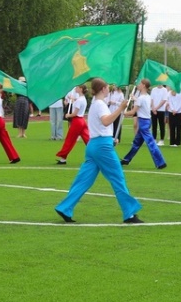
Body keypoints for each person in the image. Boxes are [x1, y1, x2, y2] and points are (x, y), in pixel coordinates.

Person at [54, 78, 143, 224]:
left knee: (83, 180)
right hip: (101, 147)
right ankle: (129, 213)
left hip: (95, 145)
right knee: (117, 178)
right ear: (103, 89)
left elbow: (101, 125)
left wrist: (110, 138)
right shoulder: (100, 104)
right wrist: (121, 109)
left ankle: (65, 207)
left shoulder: (95, 104)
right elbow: (106, 121)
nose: (109, 89)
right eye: (107, 87)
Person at [121, 79, 167, 170]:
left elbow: (133, 112)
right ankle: (127, 159)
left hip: (143, 123)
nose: (138, 85)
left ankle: (161, 162)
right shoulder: (147, 96)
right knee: (136, 143)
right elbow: (142, 103)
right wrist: (135, 99)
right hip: (146, 121)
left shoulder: (141, 98)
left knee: (151, 143)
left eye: (140, 84)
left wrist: (123, 112)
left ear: (144, 86)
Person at [55, 85, 88, 165]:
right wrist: (73, 100)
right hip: (82, 120)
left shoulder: (79, 100)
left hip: (77, 121)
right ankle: (99, 153)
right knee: (88, 139)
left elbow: (75, 113)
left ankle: (63, 158)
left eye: (77, 87)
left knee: (70, 140)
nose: (75, 88)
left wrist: (68, 115)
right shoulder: (83, 99)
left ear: (81, 89)